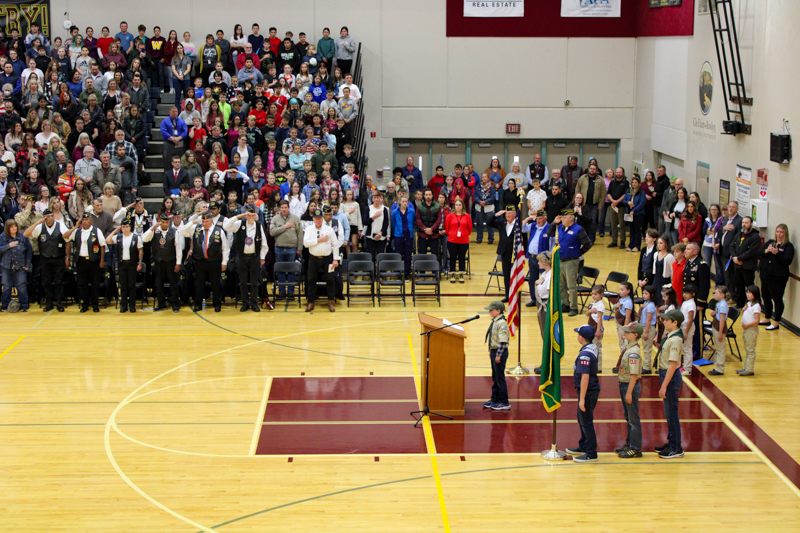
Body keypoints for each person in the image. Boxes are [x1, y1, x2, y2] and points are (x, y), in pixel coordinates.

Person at [547, 208, 592, 316]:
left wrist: (578, 252)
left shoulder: (578, 229)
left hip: (571, 261)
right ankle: (565, 304)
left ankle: (574, 307)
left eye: (563, 217)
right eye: (561, 217)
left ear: (570, 218)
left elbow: (588, 244)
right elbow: (549, 233)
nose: (561, 219)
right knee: (561, 285)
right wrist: (554, 223)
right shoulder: (561, 227)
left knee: (571, 286)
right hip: (560, 260)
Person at [224, 205, 270, 312]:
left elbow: (264, 244)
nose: (250, 217)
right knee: (243, 282)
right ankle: (245, 304)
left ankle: (254, 303)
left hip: (255, 257)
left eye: (252, 215)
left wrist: (262, 257)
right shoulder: (240, 224)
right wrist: (239, 216)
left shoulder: (259, 225)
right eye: (248, 214)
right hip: (242, 257)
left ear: (255, 215)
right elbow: (226, 226)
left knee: (254, 282)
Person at [565, 325, 600, 463]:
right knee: (581, 418)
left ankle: (591, 452)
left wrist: (582, 399)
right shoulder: (591, 348)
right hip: (589, 390)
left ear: (581, 337)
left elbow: (585, 377)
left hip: (588, 391)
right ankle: (583, 445)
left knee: (586, 421)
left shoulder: (585, 354)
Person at [181, 212, 229, 312]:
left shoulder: (218, 231)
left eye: (206, 221)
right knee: (199, 283)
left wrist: (224, 262)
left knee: (215, 283)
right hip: (199, 261)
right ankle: (198, 304)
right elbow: (182, 231)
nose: (204, 223)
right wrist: (192, 222)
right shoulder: (196, 229)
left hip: (214, 261)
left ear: (211, 221)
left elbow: (225, 248)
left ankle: (217, 303)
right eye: (203, 221)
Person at [23, 208, 67, 312]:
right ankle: (49, 302)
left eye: (52, 216)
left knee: (58, 280)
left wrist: (67, 257)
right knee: (46, 281)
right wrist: (38, 222)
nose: (51, 218)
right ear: (44, 218)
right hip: (45, 258)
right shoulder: (39, 227)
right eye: (48, 217)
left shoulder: (60, 225)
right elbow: (26, 234)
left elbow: (67, 239)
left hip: (58, 257)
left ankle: (59, 302)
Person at [656, 309, 685, 459]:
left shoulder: (675, 340)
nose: (664, 322)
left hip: (670, 376)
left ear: (675, 323)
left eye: (667, 320)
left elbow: (673, 365)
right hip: (666, 373)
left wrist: (664, 386)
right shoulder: (670, 335)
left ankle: (676, 448)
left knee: (672, 414)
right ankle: (671, 441)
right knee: (668, 413)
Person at [64, 212, 106, 313]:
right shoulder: (77, 232)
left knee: (95, 284)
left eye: (87, 219)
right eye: (83, 220)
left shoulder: (96, 231)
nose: (85, 221)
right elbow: (65, 237)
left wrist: (101, 260)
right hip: (81, 261)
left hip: (93, 261)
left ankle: (95, 305)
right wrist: (75, 227)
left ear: (91, 221)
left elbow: (103, 245)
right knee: (82, 284)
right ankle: (85, 304)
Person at [757, 224, 794, 330]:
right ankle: (767, 318)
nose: (779, 234)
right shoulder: (771, 242)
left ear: (785, 233)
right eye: (777, 231)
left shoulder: (788, 246)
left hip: (778, 277)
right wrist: (766, 251)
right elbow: (758, 252)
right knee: (766, 297)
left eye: (781, 232)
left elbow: (787, 261)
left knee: (777, 299)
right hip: (765, 275)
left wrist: (777, 253)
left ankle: (776, 322)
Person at [143, 214, 182, 312]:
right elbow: (144, 239)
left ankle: (174, 303)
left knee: (173, 283)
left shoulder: (174, 232)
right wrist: (152, 228)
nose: (165, 224)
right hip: (158, 261)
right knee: (159, 283)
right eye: (163, 222)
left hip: (171, 261)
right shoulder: (154, 231)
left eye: (167, 222)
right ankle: (161, 303)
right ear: (160, 221)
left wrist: (178, 263)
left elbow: (178, 248)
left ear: (169, 222)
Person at [303, 207, 339, 313]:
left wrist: (335, 259)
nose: (318, 220)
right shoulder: (309, 229)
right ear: (313, 219)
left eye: (319, 218)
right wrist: (319, 240)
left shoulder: (329, 229)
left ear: (322, 218)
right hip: (313, 258)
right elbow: (306, 243)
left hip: (327, 258)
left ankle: (331, 302)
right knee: (311, 280)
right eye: (316, 218)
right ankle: (310, 302)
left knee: (330, 280)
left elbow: (335, 245)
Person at [616, 322, 643, 458]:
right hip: (624, 384)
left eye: (627, 332)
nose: (624, 333)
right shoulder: (629, 347)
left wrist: (629, 393)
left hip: (629, 386)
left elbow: (634, 374)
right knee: (628, 417)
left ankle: (635, 448)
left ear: (635, 335)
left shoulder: (634, 352)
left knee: (633, 419)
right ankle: (629, 443)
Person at [105, 218, 143, 313]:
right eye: (123, 227)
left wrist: (140, 263)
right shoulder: (118, 237)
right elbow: (107, 240)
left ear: (130, 227)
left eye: (126, 227)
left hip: (132, 264)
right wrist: (115, 231)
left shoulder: (136, 237)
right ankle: (124, 305)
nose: (125, 229)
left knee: (131, 286)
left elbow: (140, 251)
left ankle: (132, 305)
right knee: (123, 286)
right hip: (122, 264)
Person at [270, 199, 304, 299]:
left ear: (289, 208)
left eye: (285, 207)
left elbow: (300, 234)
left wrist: (299, 248)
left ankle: (290, 292)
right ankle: (281, 292)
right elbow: (272, 232)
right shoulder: (275, 219)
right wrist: (285, 226)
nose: (284, 209)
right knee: (280, 271)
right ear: (279, 208)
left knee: (291, 271)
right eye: (282, 208)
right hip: (279, 248)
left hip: (292, 249)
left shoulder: (296, 218)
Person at [483, 301, 511, 411]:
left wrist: (498, 355)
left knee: (500, 378)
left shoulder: (502, 323)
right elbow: (493, 338)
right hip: (495, 351)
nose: (489, 312)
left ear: (498, 311)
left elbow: (503, 341)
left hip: (500, 352)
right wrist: (491, 350)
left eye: (491, 310)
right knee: (495, 377)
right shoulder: (495, 321)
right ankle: (495, 399)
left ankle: (504, 402)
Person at [0, 220, 32, 312]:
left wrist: (27, 264)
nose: (14, 228)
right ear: (7, 228)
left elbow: (29, 250)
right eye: (12, 227)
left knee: (21, 286)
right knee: (6, 286)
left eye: (15, 226)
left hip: (20, 265)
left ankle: (24, 305)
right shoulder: (2, 236)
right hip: (6, 265)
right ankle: (5, 304)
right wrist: (9, 245)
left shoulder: (23, 236)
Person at [522, 209, 551, 307]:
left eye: (540, 218)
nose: (538, 221)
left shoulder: (549, 228)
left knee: (544, 280)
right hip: (532, 257)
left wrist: (549, 259)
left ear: (545, 218)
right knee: (532, 279)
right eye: (537, 218)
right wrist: (527, 219)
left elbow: (551, 245)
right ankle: (534, 299)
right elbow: (522, 228)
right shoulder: (533, 226)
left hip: (543, 260)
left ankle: (543, 299)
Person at [491, 206, 520, 303]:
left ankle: (515, 295)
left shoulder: (518, 224)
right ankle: (507, 295)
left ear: (515, 214)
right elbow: (489, 223)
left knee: (515, 276)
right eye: (507, 213)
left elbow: (523, 238)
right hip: (504, 253)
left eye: (510, 213)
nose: (508, 215)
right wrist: (496, 215)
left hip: (515, 254)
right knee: (506, 275)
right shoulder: (502, 222)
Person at [731, 216, 760, 309]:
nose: (744, 224)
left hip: (748, 266)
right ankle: (740, 304)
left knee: (749, 286)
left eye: (746, 223)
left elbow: (751, 251)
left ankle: (751, 305)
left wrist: (739, 258)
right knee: (739, 286)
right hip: (737, 265)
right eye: (743, 222)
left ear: (751, 224)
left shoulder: (755, 236)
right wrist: (735, 258)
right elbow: (732, 246)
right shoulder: (738, 235)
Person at [574, 164, 607, 242]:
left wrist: (601, 204)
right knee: (582, 220)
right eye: (591, 168)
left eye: (594, 169)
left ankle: (591, 239)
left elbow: (603, 193)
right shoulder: (583, 178)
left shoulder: (600, 179)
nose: (592, 170)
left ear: (596, 170)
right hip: (583, 204)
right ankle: (583, 238)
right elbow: (577, 189)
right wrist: (577, 201)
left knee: (592, 222)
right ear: (588, 169)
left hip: (594, 205)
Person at [717, 201, 743, 301]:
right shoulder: (726, 219)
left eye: (733, 207)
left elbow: (738, 238)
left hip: (731, 254)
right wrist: (724, 228)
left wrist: (734, 252)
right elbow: (718, 231)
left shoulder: (739, 221)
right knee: (726, 275)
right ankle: (728, 294)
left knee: (732, 276)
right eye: (730, 207)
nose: (731, 209)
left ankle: (733, 296)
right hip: (723, 252)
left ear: (737, 209)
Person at [445, 197, 471, 284]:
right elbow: (446, 228)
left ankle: (461, 274)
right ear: (454, 206)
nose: (458, 207)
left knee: (461, 257)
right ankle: (452, 273)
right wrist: (452, 234)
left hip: (463, 241)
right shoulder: (450, 216)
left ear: (463, 206)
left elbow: (470, 228)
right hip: (452, 240)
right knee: (452, 257)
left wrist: (464, 234)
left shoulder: (467, 216)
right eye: (456, 205)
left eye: (459, 205)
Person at [738, 285, 761, 376]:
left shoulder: (757, 306)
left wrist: (747, 325)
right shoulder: (749, 303)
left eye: (750, 293)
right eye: (747, 292)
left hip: (751, 329)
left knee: (750, 350)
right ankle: (745, 367)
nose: (748, 294)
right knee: (747, 349)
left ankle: (749, 369)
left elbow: (757, 320)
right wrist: (744, 310)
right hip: (746, 328)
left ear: (755, 294)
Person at [708, 286, 730, 376]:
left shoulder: (723, 305)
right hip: (716, 324)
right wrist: (714, 313)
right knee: (718, 347)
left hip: (719, 327)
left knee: (720, 349)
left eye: (717, 293)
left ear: (722, 295)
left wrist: (720, 333)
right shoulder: (719, 303)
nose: (715, 294)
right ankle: (717, 366)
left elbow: (722, 320)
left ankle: (720, 368)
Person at [605, 167, 629, 249]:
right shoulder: (612, 182)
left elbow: (626, 194)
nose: (618, 174)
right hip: (613, 206)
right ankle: (614, 241)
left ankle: (622, 241)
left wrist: (617, 201)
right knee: (613, 224)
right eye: (617, 172)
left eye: (620, 172)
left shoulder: (625, 182)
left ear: (623, 173)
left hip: (621, 207)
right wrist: (613, 201)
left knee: (622, 225)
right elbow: (608, 193)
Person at [702, 203, 724, 284]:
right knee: (707, 263)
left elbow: (719, 231)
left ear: (718, 210)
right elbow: (705, 231)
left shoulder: (721, 220)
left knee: (717, 265)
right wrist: (714, 230)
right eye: (712, 209)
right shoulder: (707, 220)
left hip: (716, 245)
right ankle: (706, 282)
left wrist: (711, 230)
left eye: (715, 209)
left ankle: (718, 284)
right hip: (707, 244)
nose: (713, 211)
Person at [623, 175, 645, 251]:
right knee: (631, 229)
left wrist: (634, 210)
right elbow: (624, 200)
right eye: (633, 182)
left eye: (636, 182)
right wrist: (628, 202)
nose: (634, 184)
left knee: (637, 230)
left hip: (638, 214)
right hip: (629, 214)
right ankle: (631, 244)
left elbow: (642, 203)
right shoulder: (628, 191)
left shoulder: (642, 192)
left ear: (639, 184)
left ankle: (637, 246)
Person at [639, 286, 658, 375]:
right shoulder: (646, 304)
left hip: (649, 328)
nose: (644, 295)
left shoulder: (650, 306)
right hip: (644, 327)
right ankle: (645, 365)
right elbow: (639, 315)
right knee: (645, 347)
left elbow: (649, 320)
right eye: (643, 293)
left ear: (652, 295)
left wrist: (646, 332)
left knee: (647, 348)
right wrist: (641, 308)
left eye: (646, 294)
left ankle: (647, 367)